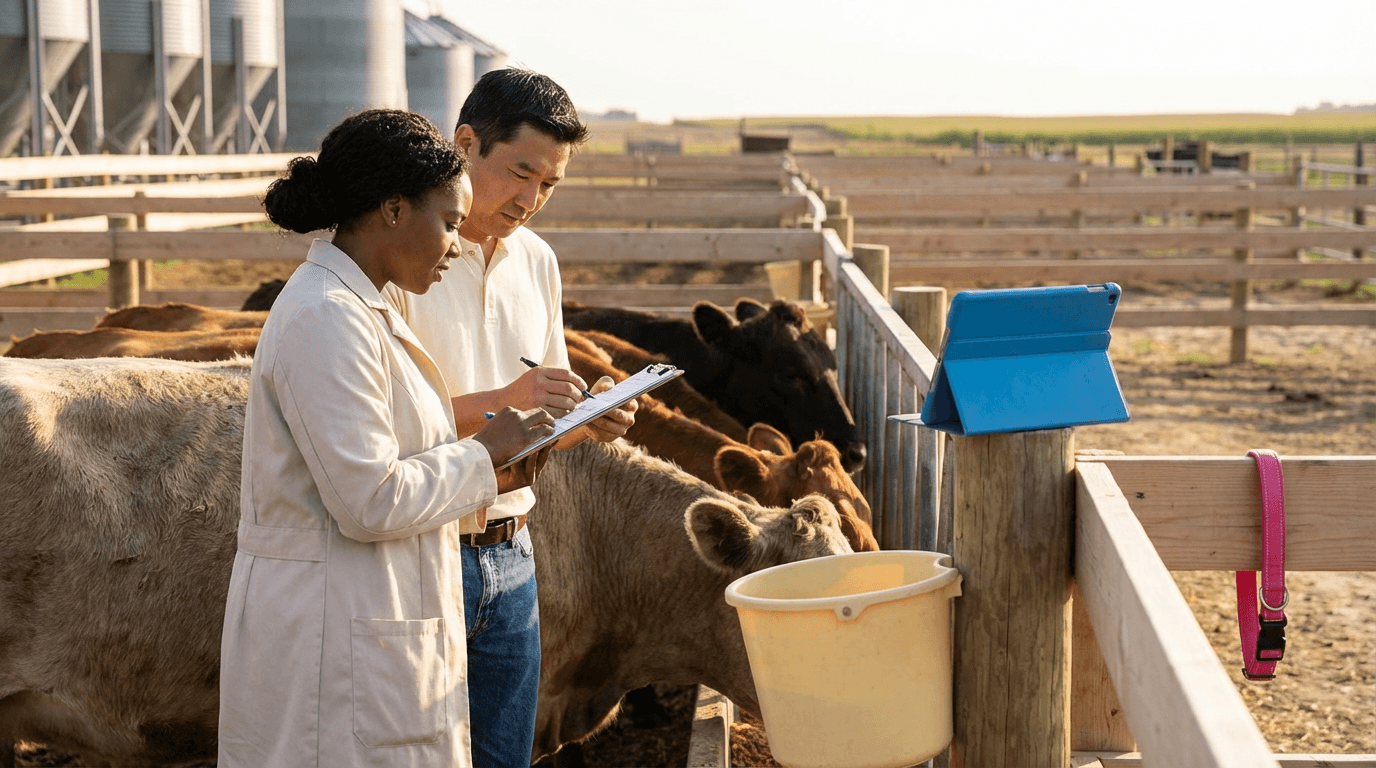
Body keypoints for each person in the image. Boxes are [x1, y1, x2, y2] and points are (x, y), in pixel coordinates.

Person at [218, 108, 556, 768]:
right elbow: (368, 499)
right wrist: (482, 452)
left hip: (362, 623)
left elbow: (383, 466)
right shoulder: (326, 318)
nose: (457, 245)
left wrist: (496, 473)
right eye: (451, 222)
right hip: (332, 641)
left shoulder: (357, 309)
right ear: (395, 211)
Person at [382, 69, 635, 767]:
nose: (529, 200)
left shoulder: (539, 262)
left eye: (548, 185)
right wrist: (512, 401)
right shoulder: (400, 252)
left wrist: (590, 419)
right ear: (465, 144)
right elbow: (379, 426)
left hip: (514, 553)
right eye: (519, 173)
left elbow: (536, 418)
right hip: (416, 551)